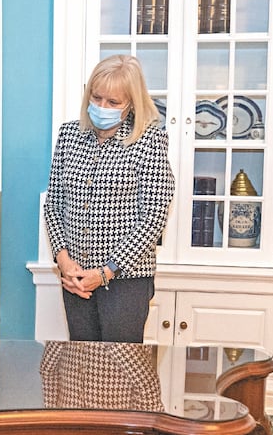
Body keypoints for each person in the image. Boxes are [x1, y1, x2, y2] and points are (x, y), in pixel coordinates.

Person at [43, 54, 175, 344]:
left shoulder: (149, 140)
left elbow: (153, 217)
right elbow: (53, 204)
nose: (102, 106)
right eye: (97, 97)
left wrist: (106, 272)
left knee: (119, 366)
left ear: (131, 104)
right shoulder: (69, 135)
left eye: (113, 102)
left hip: (125, 281)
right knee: (82, 362)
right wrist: (64, 261)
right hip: (76, 278)